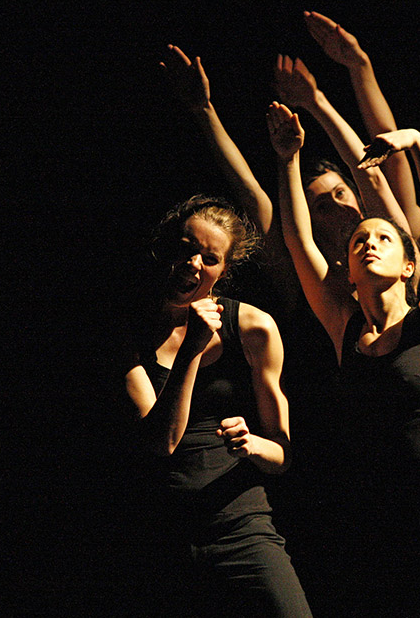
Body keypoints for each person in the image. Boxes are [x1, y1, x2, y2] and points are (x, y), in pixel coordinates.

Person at [267, 101, 420, 616]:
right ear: (348, 269)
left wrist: (418, 144)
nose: (369, 243)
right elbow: (296, 238)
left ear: (407, 266)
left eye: (382, 238)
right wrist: (288, 158)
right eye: (359, 241)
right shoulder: (343, 326)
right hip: (365, 534)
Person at [120, 196, 311, 617]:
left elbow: (282, 454)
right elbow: (162, 441)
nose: (193, 264)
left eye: (209, 258)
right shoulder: (129, 333)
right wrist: (191, 350)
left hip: (240, 529)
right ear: (166, 245)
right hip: (162, 534)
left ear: (223, 270)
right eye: (187, 248)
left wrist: (253, 444)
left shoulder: (254, 327)